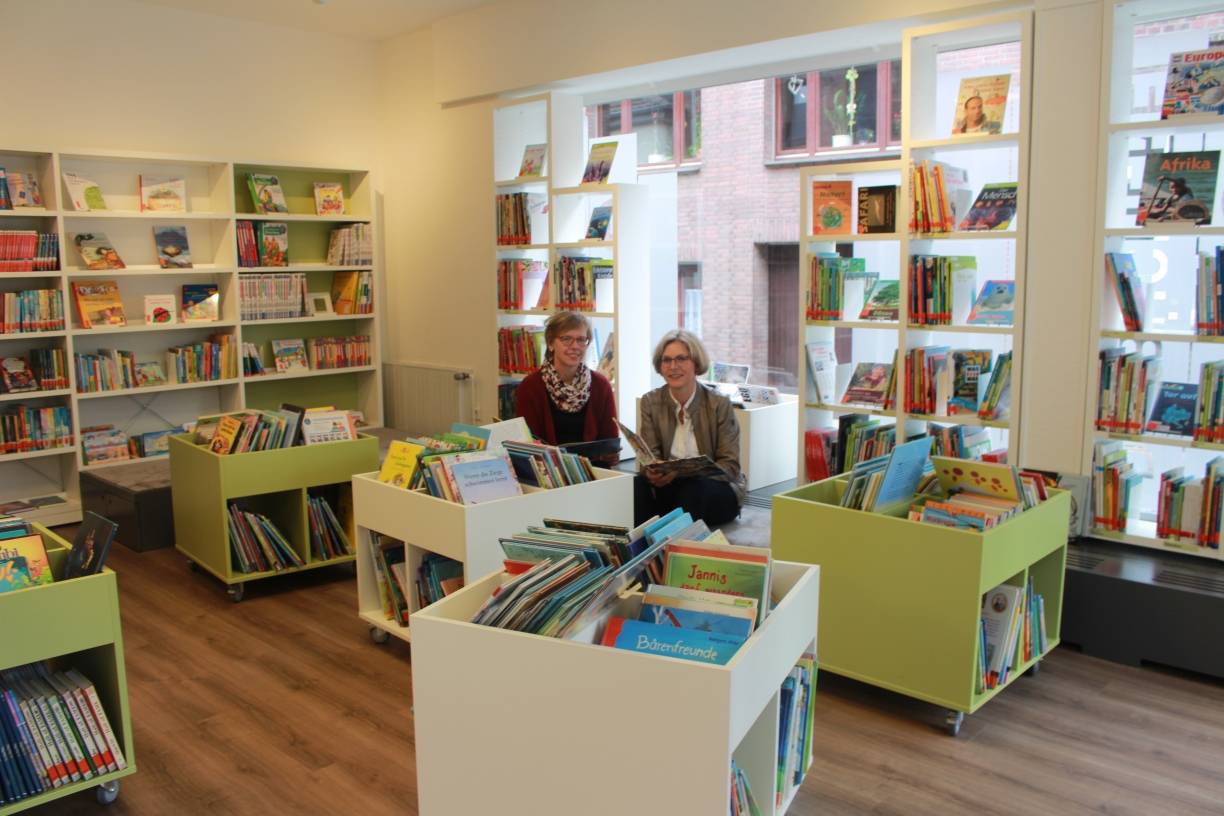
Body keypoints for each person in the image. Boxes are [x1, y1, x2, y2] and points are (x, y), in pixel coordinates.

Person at [634, 329, 746, 527]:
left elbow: (730, 467)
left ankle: (675, 547)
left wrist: (682, 472)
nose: (673, 367)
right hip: (668, 486)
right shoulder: (650, 402)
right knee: (636, 486)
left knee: (694, 489)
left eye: (681, 359)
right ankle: (642, 550)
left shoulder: (719, 404)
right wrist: (652, 471)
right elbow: (649, 456)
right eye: (666, 360)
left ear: (696, 363)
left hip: (713, 489)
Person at [514, 311, 620, 465]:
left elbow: (609, 441)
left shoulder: (601, 385)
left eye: (581, 340)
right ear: (551, 343)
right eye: (566, 339)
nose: (575, 346)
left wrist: (610, 454)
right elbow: (529, 445)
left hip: (594, 474)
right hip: (549, 475)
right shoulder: (530, 387)